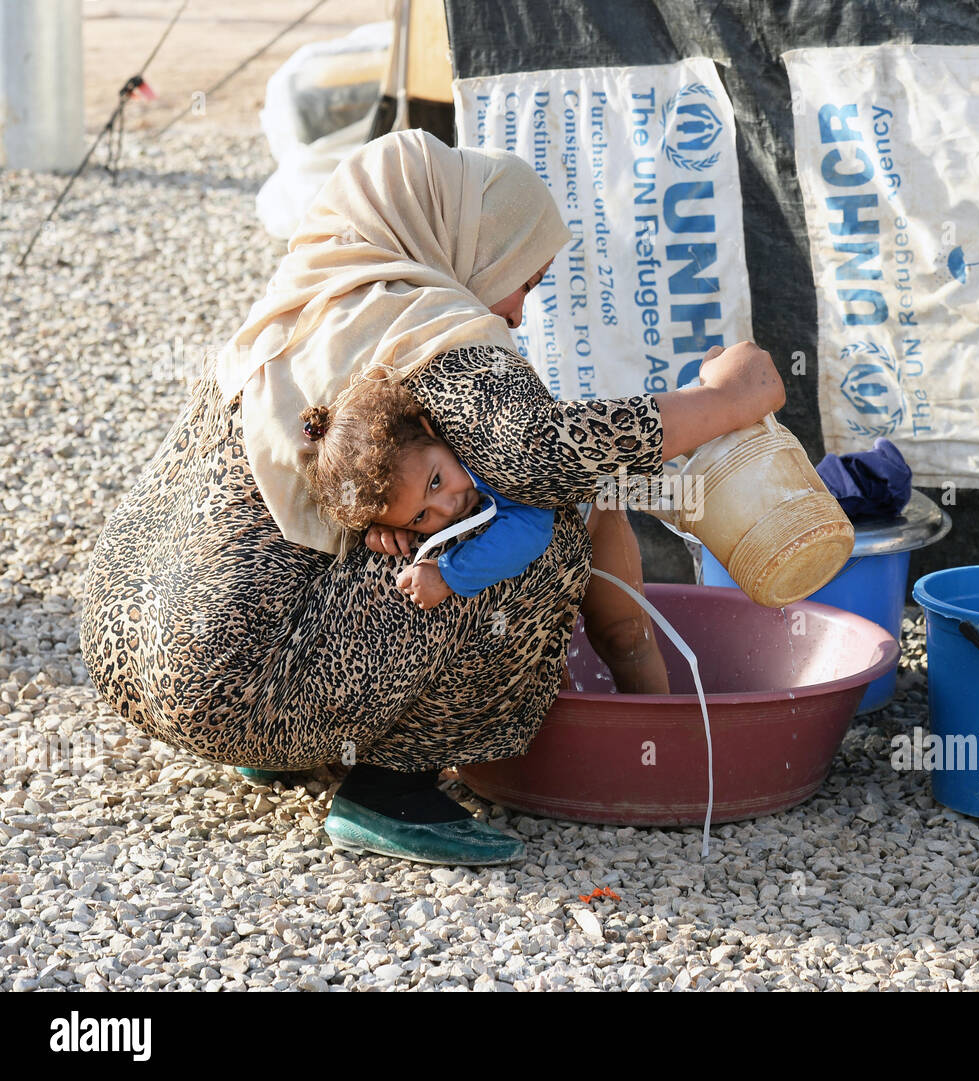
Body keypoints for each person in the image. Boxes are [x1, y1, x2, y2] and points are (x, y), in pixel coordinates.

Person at [79, 129, 785, 866]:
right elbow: (547, 458)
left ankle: (288, 748)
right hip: (247, 690)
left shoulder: (302, 303)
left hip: (132, 667)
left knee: (430, 503)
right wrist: (730, 399)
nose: (516, 313)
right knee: (539, 522)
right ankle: (391, 790)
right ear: (476, 241)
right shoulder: (427, 329)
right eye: (526, 279)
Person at [294, 367, 671, 697]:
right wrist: (380, 530)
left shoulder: (487, 451)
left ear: (430, 430)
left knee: (624, 635)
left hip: (592, 510)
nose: (447, 506)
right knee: (546, 669)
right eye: (419, 517)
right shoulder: (420, 477)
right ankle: (578, 758)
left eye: (437, 481)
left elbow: (528, 528)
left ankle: (664, 738)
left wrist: (448, 574)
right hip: (544, 577)